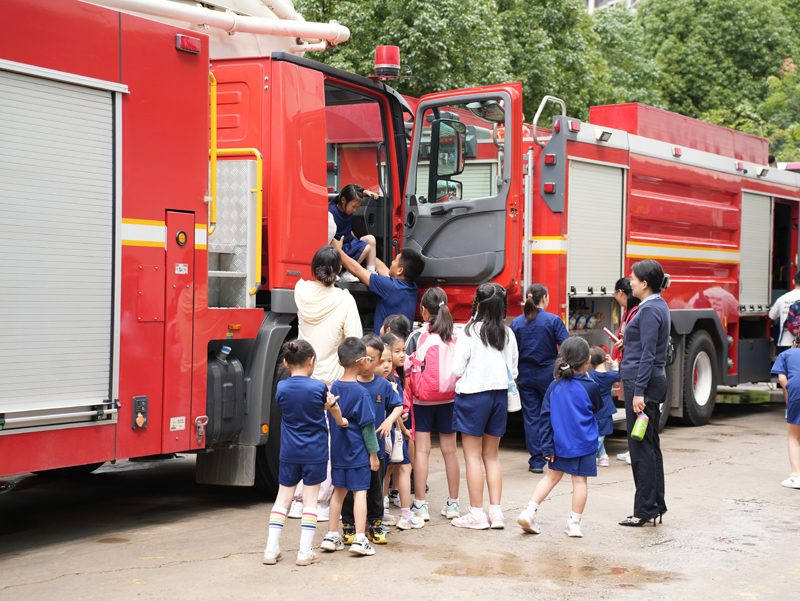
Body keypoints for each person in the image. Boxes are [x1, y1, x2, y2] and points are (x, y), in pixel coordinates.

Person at [289, 246, 362, 521]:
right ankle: (319, 502)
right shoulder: (345, 301)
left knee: (303, 436)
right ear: (339, 271)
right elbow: (354, 341)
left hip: (303, 378)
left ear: (313, 269)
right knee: (328, 442)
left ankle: (297, 499)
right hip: (331, 380)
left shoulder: (301, 291)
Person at [263, 340, 348, 566]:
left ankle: (271, 550)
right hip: (315, 452)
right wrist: (335, 413)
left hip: (289, 451)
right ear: (311, 361)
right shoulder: (320, 387)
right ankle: (304, 552)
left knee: (283, 498)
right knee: (310, 500)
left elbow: (295, 408)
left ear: (285, 362)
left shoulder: (281, 388)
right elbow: (324, 408)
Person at [516, 337, 603, 537]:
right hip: (585, 445)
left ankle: (529, 512)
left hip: (559, 445)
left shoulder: (554, 387)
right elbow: (597, 408)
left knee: (551, 477)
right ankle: (574, 524)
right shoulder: (591, 387)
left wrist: (546, 447)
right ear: (588, 360)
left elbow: (544, 418)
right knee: (580, 482)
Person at [451, 283, 518, 530]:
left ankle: (477, 514)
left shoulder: (468, 332)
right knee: (492, 456)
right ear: (502, 306)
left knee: (472, 456)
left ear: (478, 304)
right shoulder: (508, 333)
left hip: (472, 397)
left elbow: (457, 369)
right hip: (499, 396)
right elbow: (514, 369)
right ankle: (496, 513)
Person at [614, 259, 671, 527]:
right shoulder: (656, 305)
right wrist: (629, 340)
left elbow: (649, 354)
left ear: (645, 284)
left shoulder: (648, 310)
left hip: (643, 384)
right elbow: (648, 345)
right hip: (648, 382)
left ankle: (644, 510)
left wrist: (638, 393)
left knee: (640, 450)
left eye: (633, 278)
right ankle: (655, 505)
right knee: (650, 447)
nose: (631, 281)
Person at [404, 288, 461, 522]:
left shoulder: (417, 337)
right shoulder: (456, 335)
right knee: (451, 451)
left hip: (422, 400)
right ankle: (454, 504)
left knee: (423, 451)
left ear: (424, 311)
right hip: (450, 399)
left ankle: (420, 505)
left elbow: (406, 369)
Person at [341, 335, 403, 546]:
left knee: (376, 489)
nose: (367, 363)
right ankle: (349, 525)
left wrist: (388, 421)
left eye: (372, 359)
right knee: (350, 490)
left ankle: (376, 523)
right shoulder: (348, 384)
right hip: (353, 449)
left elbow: (398, 406)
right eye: (364, 358)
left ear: (378, 361)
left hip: (377, 450)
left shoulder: (384, 386)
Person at [320, 337, 380, 556]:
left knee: (338, 493)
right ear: (363, 362)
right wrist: (373, 455)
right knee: (360, 494)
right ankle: (360, 539)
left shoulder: (334, 386)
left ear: (339, 361)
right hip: (357, 454)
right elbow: (367, 428)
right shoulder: (361, 393)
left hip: (338, 453)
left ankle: (331, 535)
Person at [510, 284, 569, 474]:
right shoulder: (553, 320)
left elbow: (513, 352)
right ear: (544, 298)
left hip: (526, 377)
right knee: (554, 415)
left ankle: (536, 461)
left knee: (531, 418)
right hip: (549, 376)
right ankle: (555, 455)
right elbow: (567, 347)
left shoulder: (517, 323)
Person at [332, 236, 425, 335]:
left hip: (386, 345)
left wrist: (338, 250)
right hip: (401, 345)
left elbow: (356, 269)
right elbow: (383, 269)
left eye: (395, 261)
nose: (392, 262)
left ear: (400, 270)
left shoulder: (389, 286)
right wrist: (367, 250)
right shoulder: (412, 288)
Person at [379, 333, 423, 529]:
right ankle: (405, 515)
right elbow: (395, 411)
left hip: (386, 433)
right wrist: (404, 429)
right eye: (395, 352)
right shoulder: (391, 381)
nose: (402, 355)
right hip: (393, 433)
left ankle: (382, 510)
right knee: (402, 469)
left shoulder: (387, 379)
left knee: (385, 472)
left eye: (403, 351)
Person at [612, 277, 640, 465]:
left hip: (634, 372)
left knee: (635, 413)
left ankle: (636, 452)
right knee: (633, 414)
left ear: (621, 293)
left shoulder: (636, 313)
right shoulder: (631, 312)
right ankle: (634, 450)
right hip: (630, 368)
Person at [328, 183, 378, 282]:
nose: (354, 210)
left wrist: (363, 193)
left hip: (347, 244)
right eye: (353, 206)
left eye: (357, 208)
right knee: (366, 247)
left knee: (370, 239)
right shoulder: (331, 212)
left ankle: (371, 272)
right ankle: (348, 272)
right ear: (343, 200)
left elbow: (350, 193)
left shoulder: (347, 208)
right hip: (337, 249)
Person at [770, 332, 800, 489]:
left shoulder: (786, 354)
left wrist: (792, 391)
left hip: (797, 393)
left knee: (794, 437)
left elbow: (782, 379)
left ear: (795, 342)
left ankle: (796, 477)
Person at [588, 347, 620, 467]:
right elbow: (619, 375)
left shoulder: (590, 375)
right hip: (606, 411)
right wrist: (614, 364)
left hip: (593, 410)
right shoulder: (611, 375)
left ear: (590, 362)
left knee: (596, 436)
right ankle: (602, 457)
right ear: (605, 360)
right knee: (601, 435)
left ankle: (593, 457)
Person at [769, 271, 800, 355]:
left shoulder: (783, 298)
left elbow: (772, 316)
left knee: (788, 368)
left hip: (786, 342)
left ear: (793, 281)